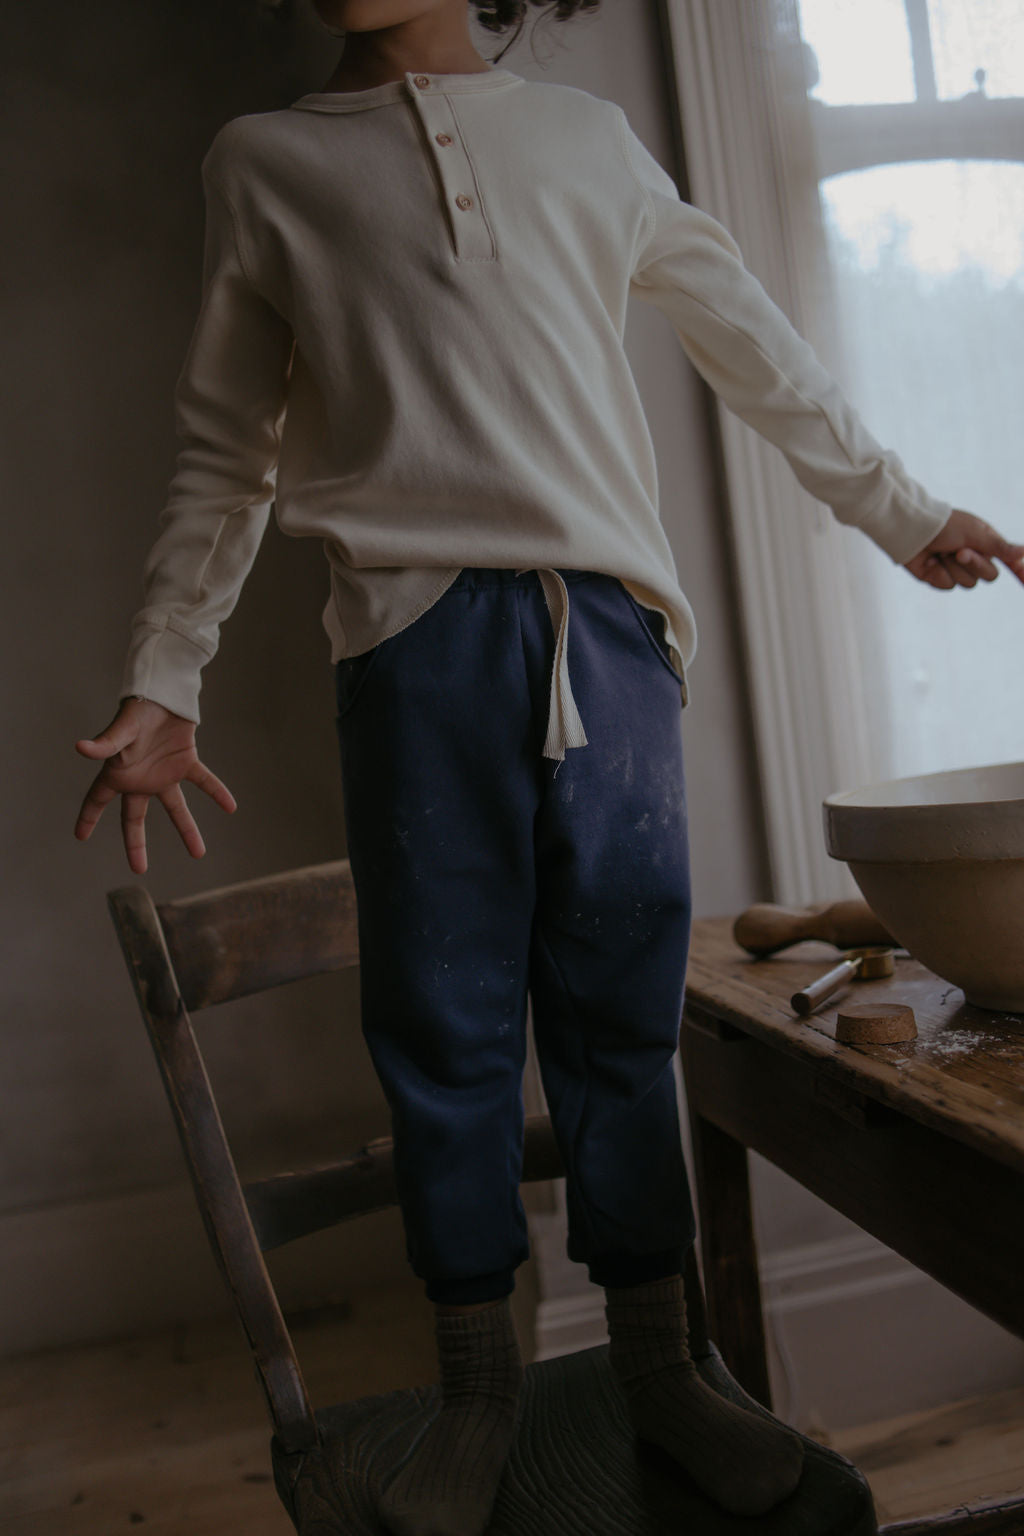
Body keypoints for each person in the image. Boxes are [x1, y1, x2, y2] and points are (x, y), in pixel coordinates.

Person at [73, 1, 1024, 1532]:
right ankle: (477, 1397)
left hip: (614, 646)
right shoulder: (263, 165)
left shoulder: (587, 141)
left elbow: (750, 341)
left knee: (622, 1016)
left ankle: (662, 1365)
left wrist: (902, 510)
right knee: (440, 1028)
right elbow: (224, 444)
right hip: (412, 653)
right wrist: (161, 673)